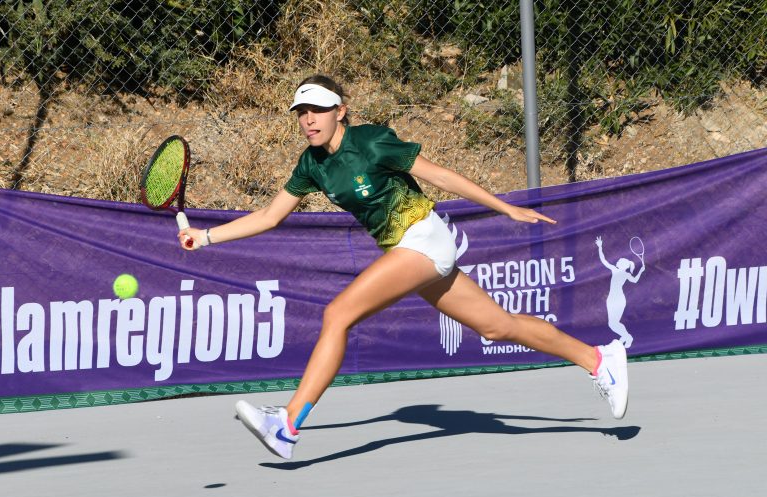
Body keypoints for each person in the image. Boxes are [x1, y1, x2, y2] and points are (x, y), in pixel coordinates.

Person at [178, 74, 629, 460]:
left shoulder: (371, 141)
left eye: (317, 109)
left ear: (341, 110)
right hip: (408, 248)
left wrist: (503, 207)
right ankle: (599, 359)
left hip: (424, 238)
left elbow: (440, 176)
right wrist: (207, 236)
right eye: (301, 111)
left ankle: (288, 426)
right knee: (497, 327)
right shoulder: (312, 164)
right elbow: (269, 217)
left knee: (337, 315)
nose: (308, 119)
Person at [596, 236, 645, 348]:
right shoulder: (618, 271)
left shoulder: (621, 272)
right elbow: (603, 261)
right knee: (613, 323)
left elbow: (635, 280)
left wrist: (600, 247)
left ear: (623, 265)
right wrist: (600, 247)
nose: (617, 261)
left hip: (618, 299)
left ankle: (628, 337)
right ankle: (624, 337)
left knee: (613, 323)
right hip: (611, 299)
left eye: (619, 261)